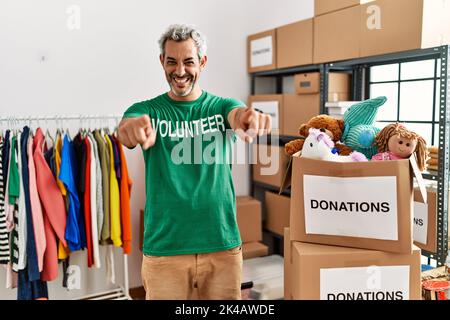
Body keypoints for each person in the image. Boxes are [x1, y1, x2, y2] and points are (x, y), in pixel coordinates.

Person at [117, 24, 272, 300]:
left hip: (221, 246)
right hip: (165, 251)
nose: (179, 71)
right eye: (172, 62)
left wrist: (248, 119)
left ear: (202, 62)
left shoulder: (222, 106)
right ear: (162, 61)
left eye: (188, 62)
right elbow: (127, 128)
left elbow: (238, 117)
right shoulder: (148, 110)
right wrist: (129, 130)